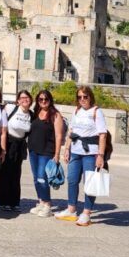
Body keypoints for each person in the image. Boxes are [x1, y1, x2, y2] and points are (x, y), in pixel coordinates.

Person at [58, 85, 108, 227]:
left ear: (90, 97)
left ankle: (86, 213)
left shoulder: (96, 112)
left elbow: (102, 135)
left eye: (85, 97)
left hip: (90, 153)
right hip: (75, 151)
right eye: (79, 97)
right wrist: (66, 148)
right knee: (72, 180)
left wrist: (100, 155)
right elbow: (71, 131)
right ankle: (71, 209)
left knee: (90, 183)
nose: (82, 99)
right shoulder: (77, 111)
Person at [27, 89, 65, 218]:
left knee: (42, 178)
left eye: (46, 99)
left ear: (50, 100)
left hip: (46, 151)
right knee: (36, 178)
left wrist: (57, 154)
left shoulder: (55, 115)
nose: (43, 102)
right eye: (40, 99)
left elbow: (59, 135)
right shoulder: (36, 113)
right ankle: (41, 202)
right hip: (33, 150)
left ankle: (47, 205)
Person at [0, 90, 33, 211]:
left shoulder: (31, 115)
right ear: (18, 100)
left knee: (16, 173)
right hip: (8, 142)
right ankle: (4, 201)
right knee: (5, 172)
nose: (25, 100)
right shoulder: (10, 108)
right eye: (22, 98)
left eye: (27, 97)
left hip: (20, 144)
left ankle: (15, 202)